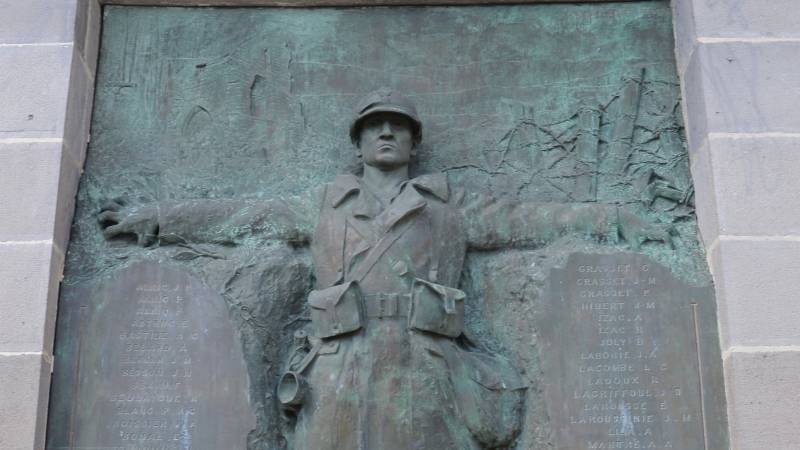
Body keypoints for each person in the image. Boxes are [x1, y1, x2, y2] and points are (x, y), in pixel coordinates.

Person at [100, 88, 671, 449]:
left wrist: (614, 217)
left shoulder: (451, 206)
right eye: (375, 126)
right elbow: (241, 217)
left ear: (415, 142)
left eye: (398, 125)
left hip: (424, 365)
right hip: (339, 364)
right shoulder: (324, 204)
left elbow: (532, 218)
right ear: (359, 144)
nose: (387, 132)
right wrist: (155, 218)